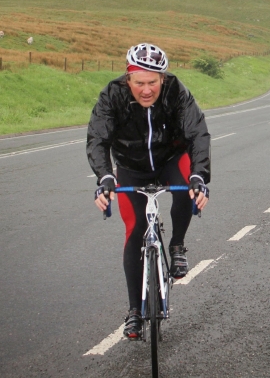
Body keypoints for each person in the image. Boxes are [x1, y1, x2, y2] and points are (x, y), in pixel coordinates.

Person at [87, 43, 211, 339]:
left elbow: (198, 134)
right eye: (139, 82)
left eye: (152, 82)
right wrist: (104, 178)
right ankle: (133, 311)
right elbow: (97, 139)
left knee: (186, 190)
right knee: (135, 228)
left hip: (170, 158)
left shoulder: (176, 92)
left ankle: (177, 245)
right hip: (131, 165)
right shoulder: (112, 95)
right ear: (127, 79)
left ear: (162, 79)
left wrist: (199, 177)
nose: (146, 90)